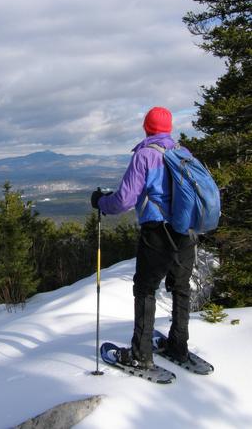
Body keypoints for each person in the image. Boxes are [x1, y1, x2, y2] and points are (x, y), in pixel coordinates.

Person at [91, 106, 196, 370]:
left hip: (157, 233)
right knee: (181, 288)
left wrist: (101, 202)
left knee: (146, 289)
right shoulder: (184, 154)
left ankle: (141, 354)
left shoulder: (145, 156)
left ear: (146, 127)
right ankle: (179, 346)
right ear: (169, 128)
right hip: (188, 232)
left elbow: (124, 200)